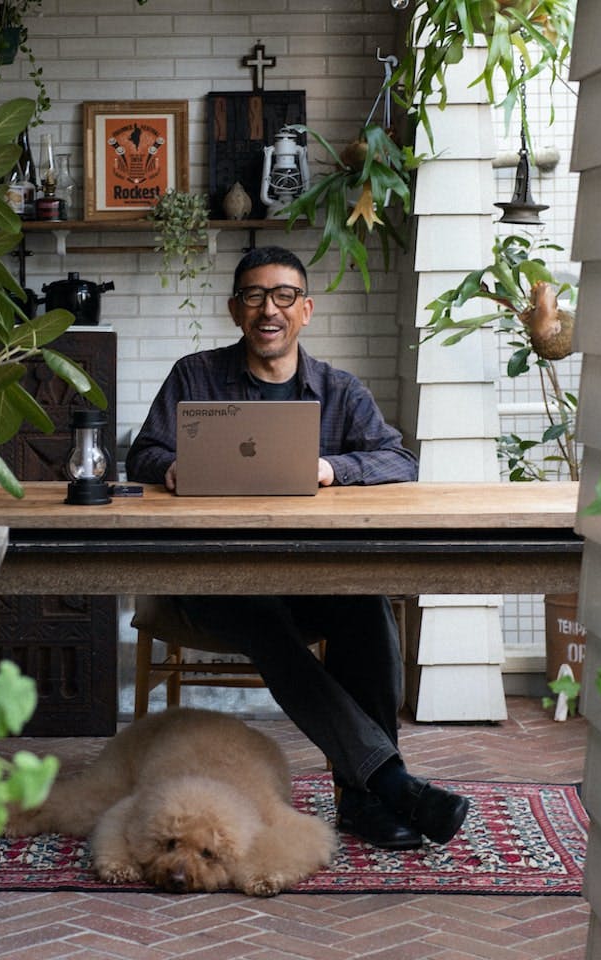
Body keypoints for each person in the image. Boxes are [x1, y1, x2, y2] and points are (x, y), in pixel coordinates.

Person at [125, 246, 469, 850]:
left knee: (364, 605)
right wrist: (172, 465)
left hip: (306, 578)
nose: (269, 309)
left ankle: (363, 800)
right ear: (235, 309)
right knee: (263, 621)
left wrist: (333, 469)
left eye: (284, 296)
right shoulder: (194, 375)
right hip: (211, 582)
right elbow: (141, 454)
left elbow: (399, 460)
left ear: (305, 310)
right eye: (255, 296)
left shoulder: (339, 390)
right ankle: (389, 784)